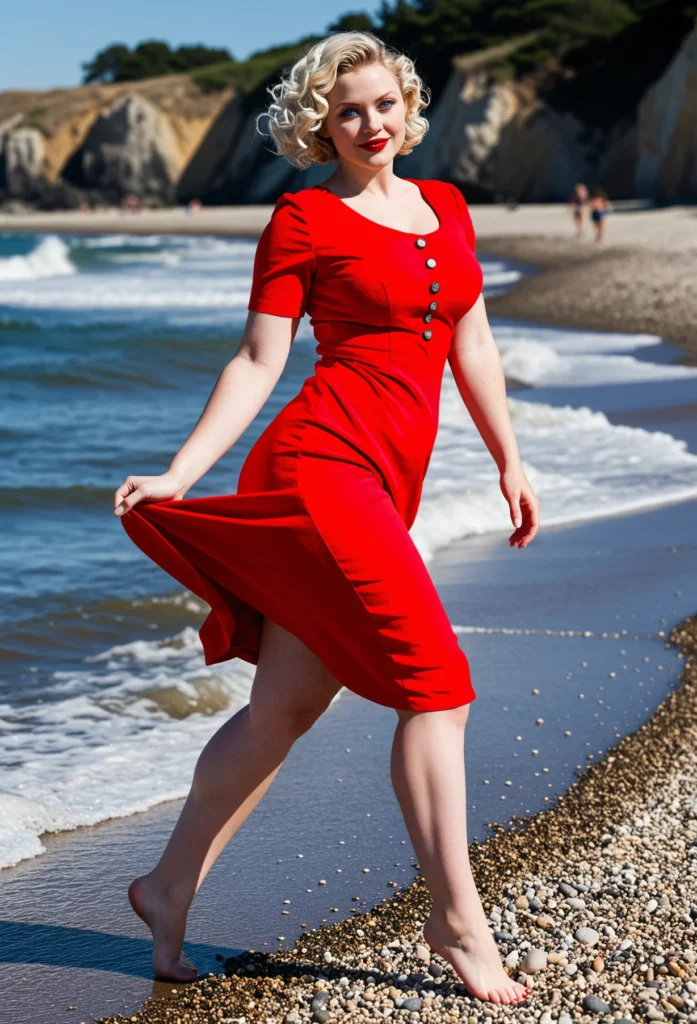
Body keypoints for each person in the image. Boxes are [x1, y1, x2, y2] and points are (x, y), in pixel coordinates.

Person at [114, 30, 539, 1005]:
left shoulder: (447, 207)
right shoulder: (303, 219)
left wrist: (511, 459)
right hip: (319, 466)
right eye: (347, 111)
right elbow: (258, 362)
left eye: (383, 105)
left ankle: (167, 885)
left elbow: (468, 337)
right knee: (438, 685)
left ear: (407, 107)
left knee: (287, 707)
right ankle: (456, 919)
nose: (369, 124)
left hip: (388, 480)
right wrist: (182, 469)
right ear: (321, 123)